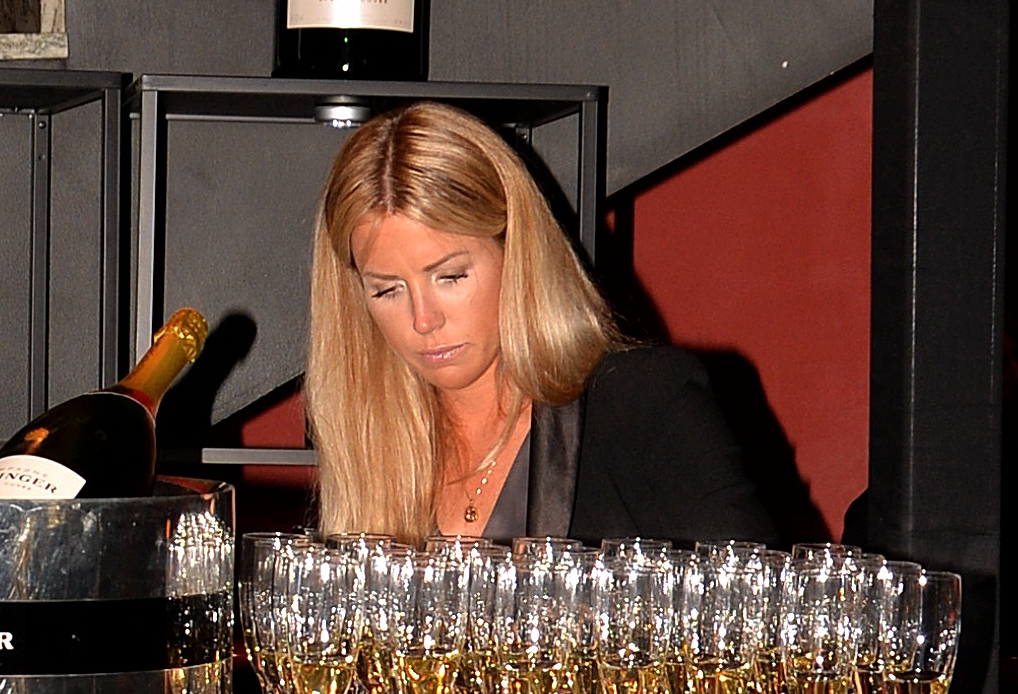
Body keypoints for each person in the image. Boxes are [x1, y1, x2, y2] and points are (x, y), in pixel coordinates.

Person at [306, 100, 774, 545]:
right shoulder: (370, 441)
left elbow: (752, 594)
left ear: (517, 252)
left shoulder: (646, 405)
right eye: (387, 290)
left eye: (450, 277)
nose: (423, 319)